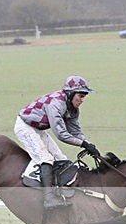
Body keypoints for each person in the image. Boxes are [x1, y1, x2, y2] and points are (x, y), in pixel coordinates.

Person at [14, 75, 100, 209]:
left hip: (39, 129)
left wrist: (89, 145)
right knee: (46, 158)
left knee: (61, 158)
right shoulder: (56, 104)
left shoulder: (73, 109)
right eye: (81, 96)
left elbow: (75, 132)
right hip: (25, 127)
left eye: (84, 96)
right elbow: (61, 134)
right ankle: (48, 199)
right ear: (71, 94)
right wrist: (83, 144)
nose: (82, 100)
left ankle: (61, 191)